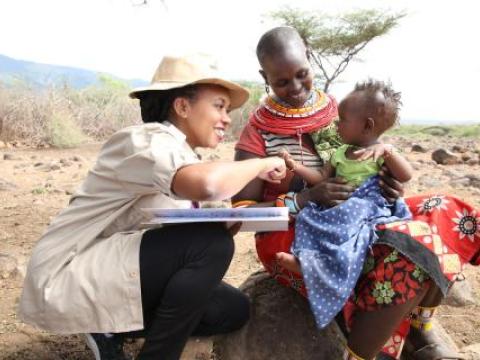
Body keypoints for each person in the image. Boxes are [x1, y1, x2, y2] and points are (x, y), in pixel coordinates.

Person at [18, 56, 287, 360]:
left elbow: (164, 229)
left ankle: (110, 329)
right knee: (212, 245)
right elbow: (210, 185)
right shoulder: (145, 141)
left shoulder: (179, 152)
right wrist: (262, 163)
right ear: (183, 107)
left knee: (230, 308)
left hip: (113, 268)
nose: (227, 118)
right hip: (69, 271)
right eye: (219, 106)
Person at [233, 26, 477, 360]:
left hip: (363, 214)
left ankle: (418, 328)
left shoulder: (341, 109)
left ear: (309, 55)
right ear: (265, 77)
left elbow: (371, 160)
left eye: (302, 75)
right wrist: (304, 199)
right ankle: (372, 350)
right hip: (298, 233)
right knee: (412, 243)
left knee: (447, 208)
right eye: (282, 82)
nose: (295, 88)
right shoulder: (257, 132)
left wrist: (392, 186)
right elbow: (242, 214)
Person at [279, 80, 414, 330]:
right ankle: (308, 261)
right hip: (338, 207)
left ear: (367, 126)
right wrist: (295, 167)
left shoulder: (380, 152)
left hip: (364, 207)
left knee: (352, 218)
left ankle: (325, 267)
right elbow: (321, 179)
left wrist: (389, 152)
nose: (336, 124)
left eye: (341, 119)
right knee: (309, 215)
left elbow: (405, 176)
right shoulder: (340, 152)